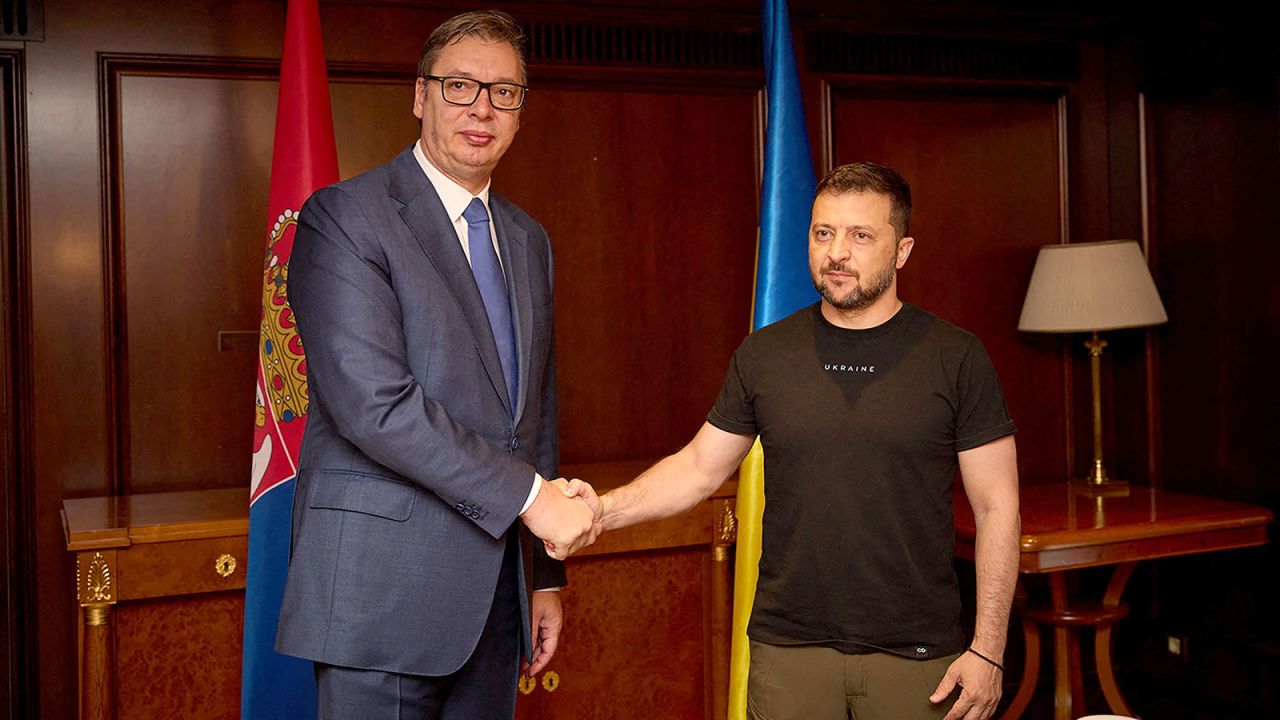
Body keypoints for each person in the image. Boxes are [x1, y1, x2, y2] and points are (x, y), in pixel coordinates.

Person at [565, 162, 1021, 720]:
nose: (836, 253)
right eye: (823, 232)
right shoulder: (764, 354)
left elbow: (998, 506)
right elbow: (698, 469)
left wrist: (989, 649)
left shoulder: (957, 358)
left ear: (902, 251)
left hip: (920, 656)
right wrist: (601, 511)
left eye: (861, 235)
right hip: (790, 653)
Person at [275, 10, 596, 719]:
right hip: (380, 598)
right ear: (420, 97)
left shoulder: (528, 238)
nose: (482, 108)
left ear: (519, 111)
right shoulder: (343, 218)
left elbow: (532, 415)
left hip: (496, 604)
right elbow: (374, 405)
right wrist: (535, 500)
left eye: (504, 92)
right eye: (460, 86)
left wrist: (544, 575)